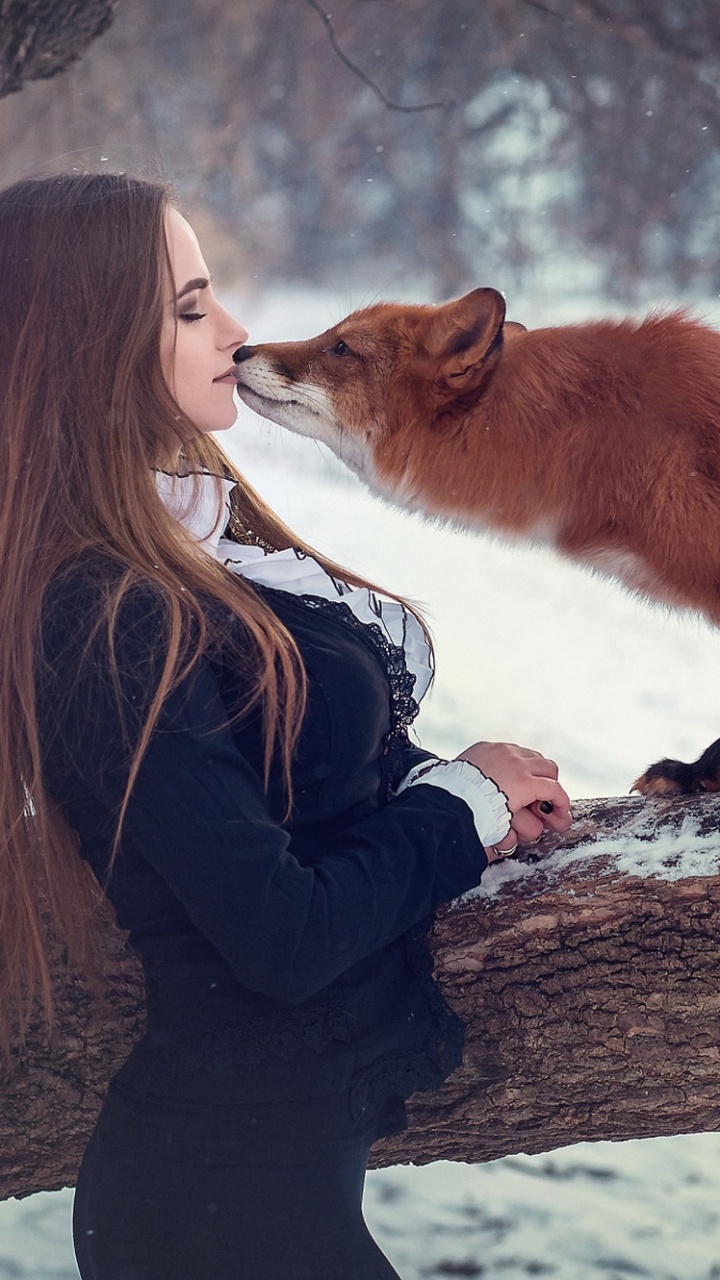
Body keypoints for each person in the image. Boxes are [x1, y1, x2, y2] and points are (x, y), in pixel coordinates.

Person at [0, 171, 572, 1280]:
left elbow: (289, 768)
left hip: (258, 1190)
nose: (237, 329)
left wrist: (452, 785)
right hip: (210, 1216)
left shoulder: (191, 533)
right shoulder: (100, 609)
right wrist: (459, 812)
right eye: (188, 307)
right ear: (88, 341)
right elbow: (278, 935)